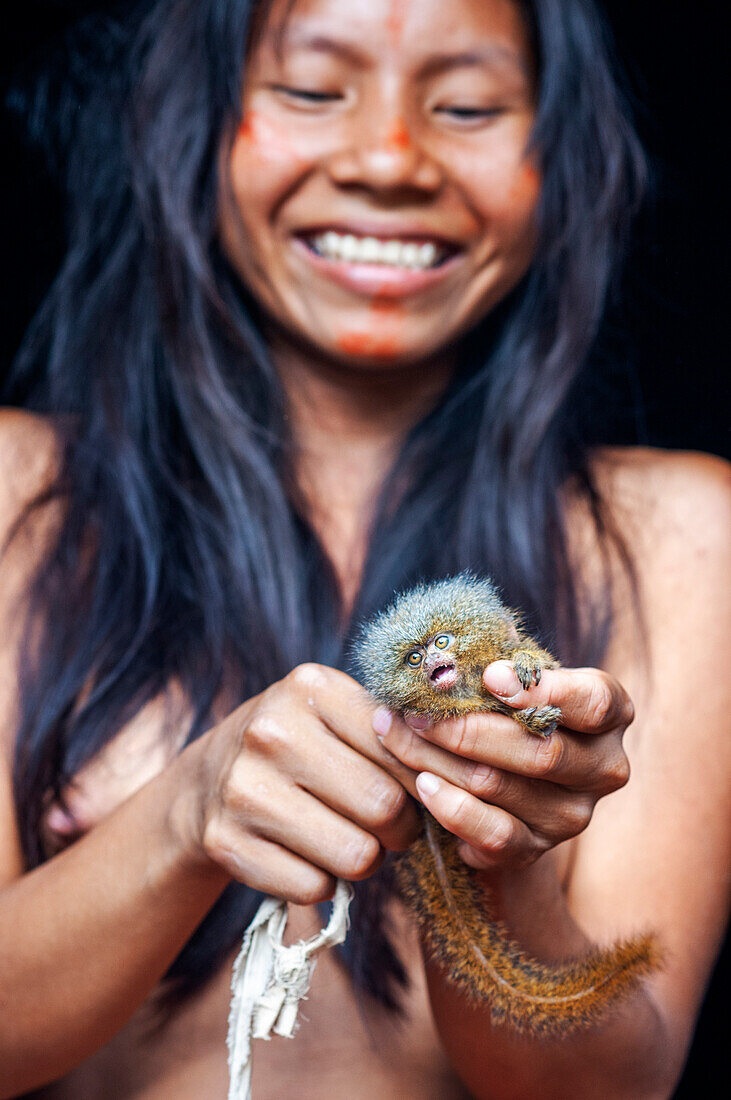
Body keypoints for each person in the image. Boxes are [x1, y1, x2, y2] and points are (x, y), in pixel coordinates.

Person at [0, 0, 728, 1096]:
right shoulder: (15, 498)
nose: (388, 158)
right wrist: (184, 815)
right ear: (191, 122)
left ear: (560, 151)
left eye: (467, 104)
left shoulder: (680, 537)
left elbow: (610, 1087)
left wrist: (500, 863)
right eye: (309, 89)